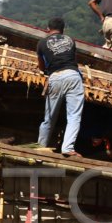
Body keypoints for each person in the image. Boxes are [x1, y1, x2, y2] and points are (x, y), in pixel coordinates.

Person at [35, 17, 85, 157]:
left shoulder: (41, 43)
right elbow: (74, 59)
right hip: (73, 75)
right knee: (74, 115)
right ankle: (68, 148)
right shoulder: (70, 40)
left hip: (55, 77)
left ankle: (41, 147)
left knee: (49, 117)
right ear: (63, 30)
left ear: (47, 29)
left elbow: (41, 66)